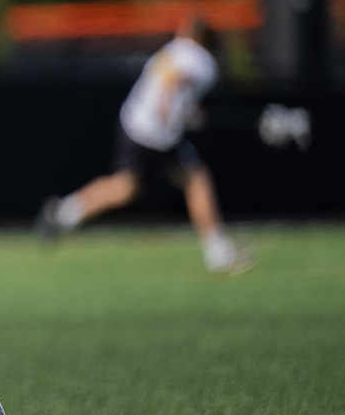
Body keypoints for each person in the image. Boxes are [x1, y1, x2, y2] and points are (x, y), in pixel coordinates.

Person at [36, 16, 253, 274]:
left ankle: (63, 213)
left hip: (134, 122)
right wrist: (167, 100)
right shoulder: (202, 61)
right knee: (196, 179)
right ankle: (218, 253)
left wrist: (181, 109)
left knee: (125, 187)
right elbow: (176, 78)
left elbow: (174, 88)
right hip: (158, 133)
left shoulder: (171, 50)